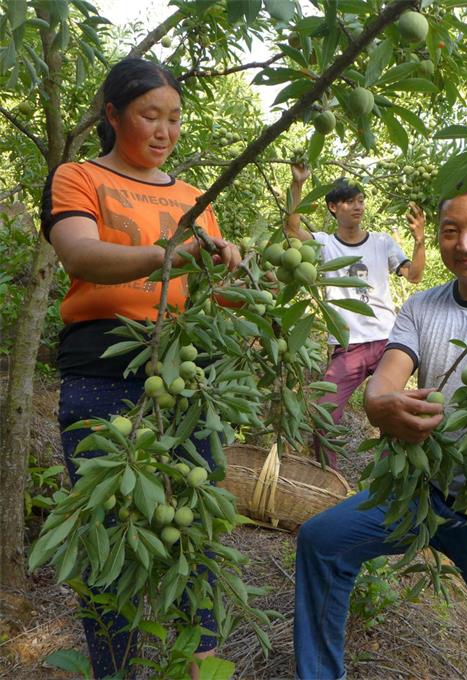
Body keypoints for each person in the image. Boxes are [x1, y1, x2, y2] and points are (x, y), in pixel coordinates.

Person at [294, 175, 467, 679]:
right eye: (449, 231)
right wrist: (379, 403)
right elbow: (388, 377)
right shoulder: (422, 307)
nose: (463, 243)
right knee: (323, 540)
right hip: (423, 491)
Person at [41, 57, 241, 680]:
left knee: (195, 528)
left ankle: (196, 664)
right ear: (112, 114)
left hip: (185, 372)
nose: (164, 130)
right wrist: (167, 254)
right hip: (101, 368)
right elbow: (80, 253)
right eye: (149, 115)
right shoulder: (78, 177)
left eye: (174, 118)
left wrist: (234, 265)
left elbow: (215, 291)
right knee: (110, 529)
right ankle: (115, 668)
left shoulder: (192, 198)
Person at [285, 164, 426, 468]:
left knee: (393, 417)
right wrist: (297, 186)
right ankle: (328, 480)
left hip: (388, 343)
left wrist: (419, 240)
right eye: (350, 201)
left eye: (361, 200)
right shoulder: (324, 243)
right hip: (348, 346)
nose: (358, 207)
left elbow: (413, 275)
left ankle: (392, 478)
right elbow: (291, 229)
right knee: (324, 416)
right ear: (333, 207)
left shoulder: (381, 242)